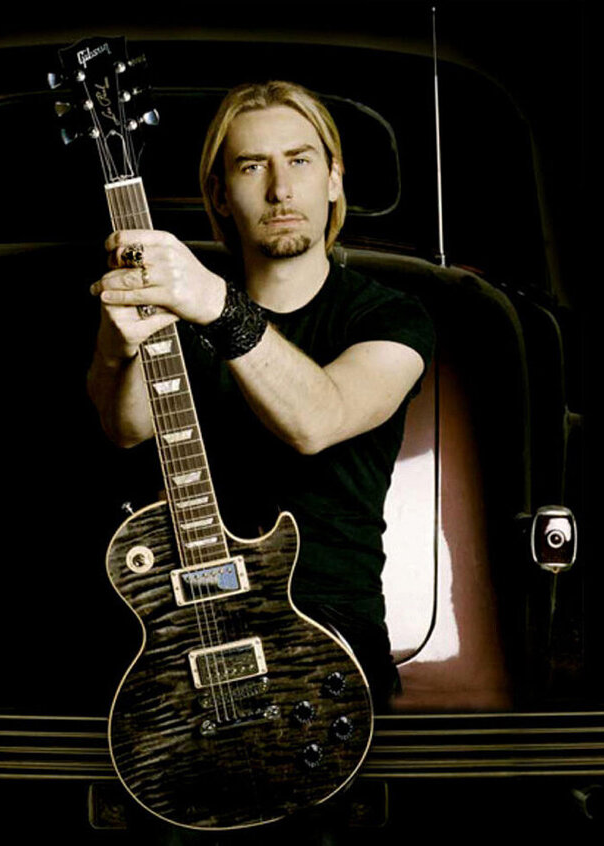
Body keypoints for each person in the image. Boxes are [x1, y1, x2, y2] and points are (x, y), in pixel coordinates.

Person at [86, 80, 435, 712]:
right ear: (220, 193)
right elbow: (128, 426)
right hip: (186, 634)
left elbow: (316, 419)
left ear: (333, 179)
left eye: (299, 161)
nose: (280, 190)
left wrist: (215, 303)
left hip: (327, 643)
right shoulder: (181, 310)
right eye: (253, 166)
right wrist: (120, 340)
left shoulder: (392, 318)